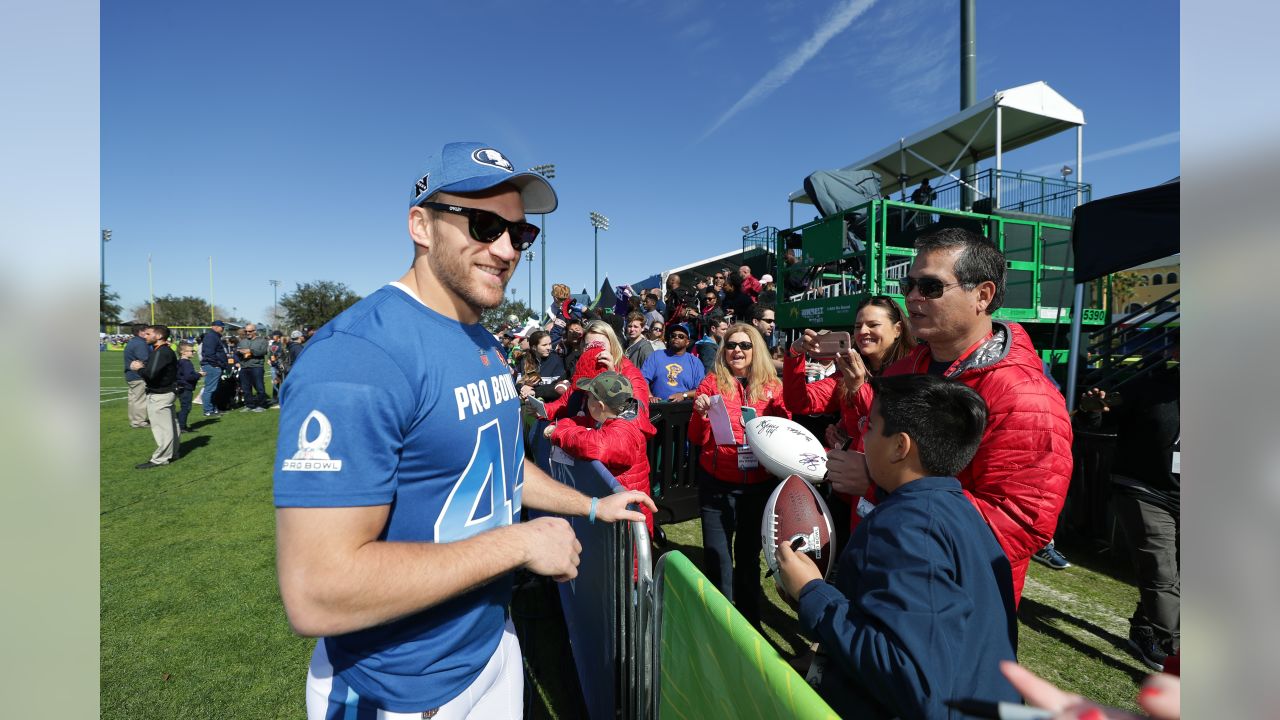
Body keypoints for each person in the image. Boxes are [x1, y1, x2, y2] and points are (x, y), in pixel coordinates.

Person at [273, 141, 654, 719]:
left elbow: (496, 464)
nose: (505, 249)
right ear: (420, 225)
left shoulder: (481, 338)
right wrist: (521, 544)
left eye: (519, 235)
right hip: (401, 688)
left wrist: (591, 507)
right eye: (483, 224)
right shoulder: (356, 358)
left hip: (490, 647)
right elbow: (317, 590)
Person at [822, 227, 1073, 604]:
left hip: (946, 600)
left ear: (982, 296)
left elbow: (1020, 523)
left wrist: (877, 486)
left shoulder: (1026, 397)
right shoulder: (905, 369)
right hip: (878, 567)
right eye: (909, 286)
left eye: (931, 287)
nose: (913, 298)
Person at [776, 374, 1018, 719]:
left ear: (900, 446)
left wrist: (812, 592)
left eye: (871, 427)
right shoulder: (963, 512)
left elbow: (911, 677)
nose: (863, 438)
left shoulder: (905, 529)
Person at [1078, 352, 1180, 671]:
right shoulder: (1146, 388)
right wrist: (1090, 410)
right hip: (1144, 490)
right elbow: (1097, 417)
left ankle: (1144, 626)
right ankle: (1178, 654)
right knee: (1160, 571)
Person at [688, 323, 790, 626]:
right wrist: (700, 414)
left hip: (757, 487)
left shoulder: (772, 386)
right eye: (732, 345)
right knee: (718, 558)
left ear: (755, 349)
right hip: (716, 483)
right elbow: (696, 437)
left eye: (745, 345)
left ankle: (749, 622)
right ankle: (719, 623)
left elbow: (783, 431)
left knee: (747, 560)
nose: (737, 350)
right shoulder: (711, 382)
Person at [545, 371, 654, 532]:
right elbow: (579, 422)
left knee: (626, 557)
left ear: (600, 406)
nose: (586, 401)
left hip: (627, 523)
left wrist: (558, 433)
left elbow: (596, 444)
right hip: (615, 511)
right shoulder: (609, 417)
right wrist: (562, 426)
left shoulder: (625, 431)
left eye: (589, 398)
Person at [132, 325, 180, 469]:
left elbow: (151, 375)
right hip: (166, 392)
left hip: (160, 394)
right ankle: (173, 453)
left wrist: (138, 368)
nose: (145, 336)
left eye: (148, 334)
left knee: (163, 428)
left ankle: (161, 458)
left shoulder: (161, 351)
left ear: (159, 336)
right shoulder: (162, 351)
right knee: (171, 425)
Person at [640, 322, 704, 402]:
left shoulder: (695, 362)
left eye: (681, 336)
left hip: (684, 408)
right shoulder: (656, 355)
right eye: (673, 336)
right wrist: (650, 396)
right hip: (658, 406)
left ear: (687, 342)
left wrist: (683, 395)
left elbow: (701, 389)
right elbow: (642, 379)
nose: (676, 337)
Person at [516, 330, 568, 402]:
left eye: (550, 344)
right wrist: (523, 387)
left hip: (550, 405)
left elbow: (558, 388)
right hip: (529, 406)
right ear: (534, 347)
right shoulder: (524, 360)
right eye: (544, 345)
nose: (549, 348)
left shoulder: (556, 360)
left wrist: (534, 391)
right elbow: (517, 384)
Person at [123, 323, 152, 428]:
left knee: (133, 399)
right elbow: (145, 359)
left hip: (131, 375)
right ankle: (139, 421)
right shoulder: (140, 343)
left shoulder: (133, 341)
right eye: (147, 332)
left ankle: (134, 420)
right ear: (141, 332)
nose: (149, 334)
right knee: (140, 399)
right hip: (138, 376)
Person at [199, 320, 229, 417]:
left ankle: (214, 409)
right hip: (212, 366)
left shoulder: (215, 336)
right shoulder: (211, 337)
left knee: (214, 389)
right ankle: (208, 410)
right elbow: (209, 354)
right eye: (222, 327)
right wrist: (217, 364)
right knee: (210, 389)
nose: (223, 329)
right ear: (215, 327)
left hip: (214, 365)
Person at [238, 323, 270, 411]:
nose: (248, 333)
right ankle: (249, 405)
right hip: (244, 367)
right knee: (246, 388)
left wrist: (250, 351)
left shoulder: (262, 341)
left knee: (259, 387)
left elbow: (263, 352)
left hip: (256, 366)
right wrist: (239, 352)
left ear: (255, 331)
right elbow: (237, 351)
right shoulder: (242, 341)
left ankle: (262, 405)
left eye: (250, 331)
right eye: (246, 331)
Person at [175, 341, 201, 433]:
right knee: (186, 407)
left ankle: (181, 424)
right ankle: (182, 427)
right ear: (183, 352)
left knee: (185, 406)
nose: (193, 352)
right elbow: (189, 377)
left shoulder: (180, 361)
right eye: (190, 351)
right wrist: (199, 375)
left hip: (181, 387)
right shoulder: (186, 363)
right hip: (185, 388)